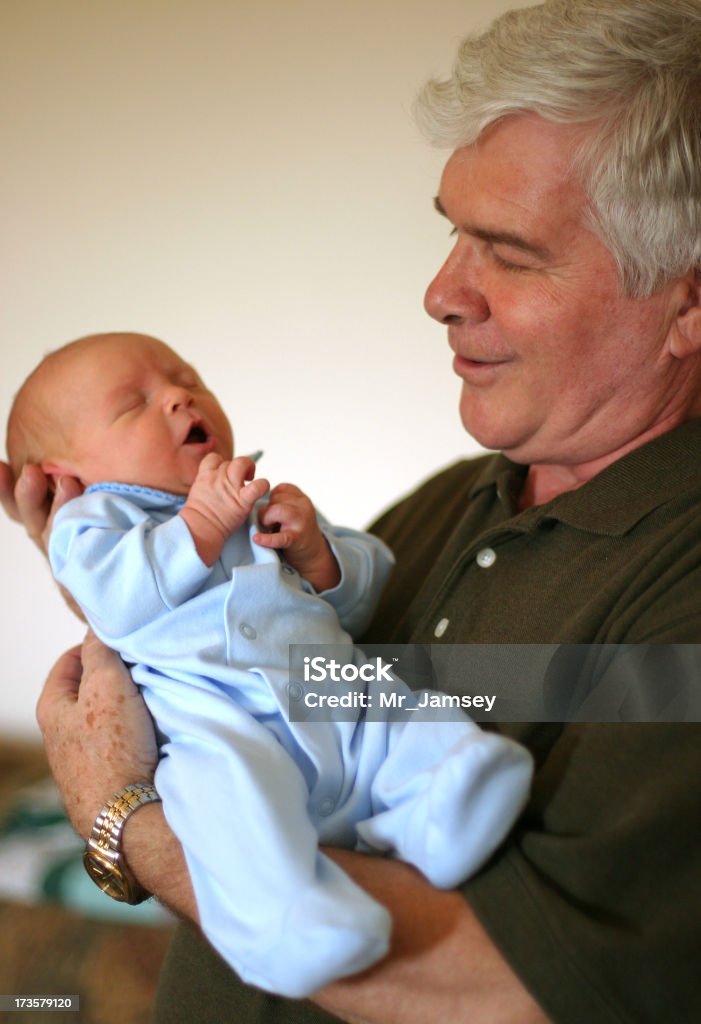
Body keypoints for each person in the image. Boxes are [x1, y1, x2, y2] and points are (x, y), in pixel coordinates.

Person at [3, 0, 701, 1019]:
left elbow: (523, 984)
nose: (438, 291)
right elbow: (254, 668)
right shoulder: (451, 504)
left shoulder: (675, 576)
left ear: (684, 303)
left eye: (506, 251)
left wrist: (123, 817)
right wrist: (100, 543)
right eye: (450, 232)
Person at [5, 331, 532, 998]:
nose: (178, 396)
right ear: (64, 477)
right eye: (133, 404)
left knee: (395, 713)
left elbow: (368, 593)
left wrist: (321, 555)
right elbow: (113, 602)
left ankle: (440, 801)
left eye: (186, 377)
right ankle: (287, 920)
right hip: (215, 721)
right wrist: (197, 523)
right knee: (231, 809)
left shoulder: (253, 496)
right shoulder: (93, 524)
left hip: (322, 687)